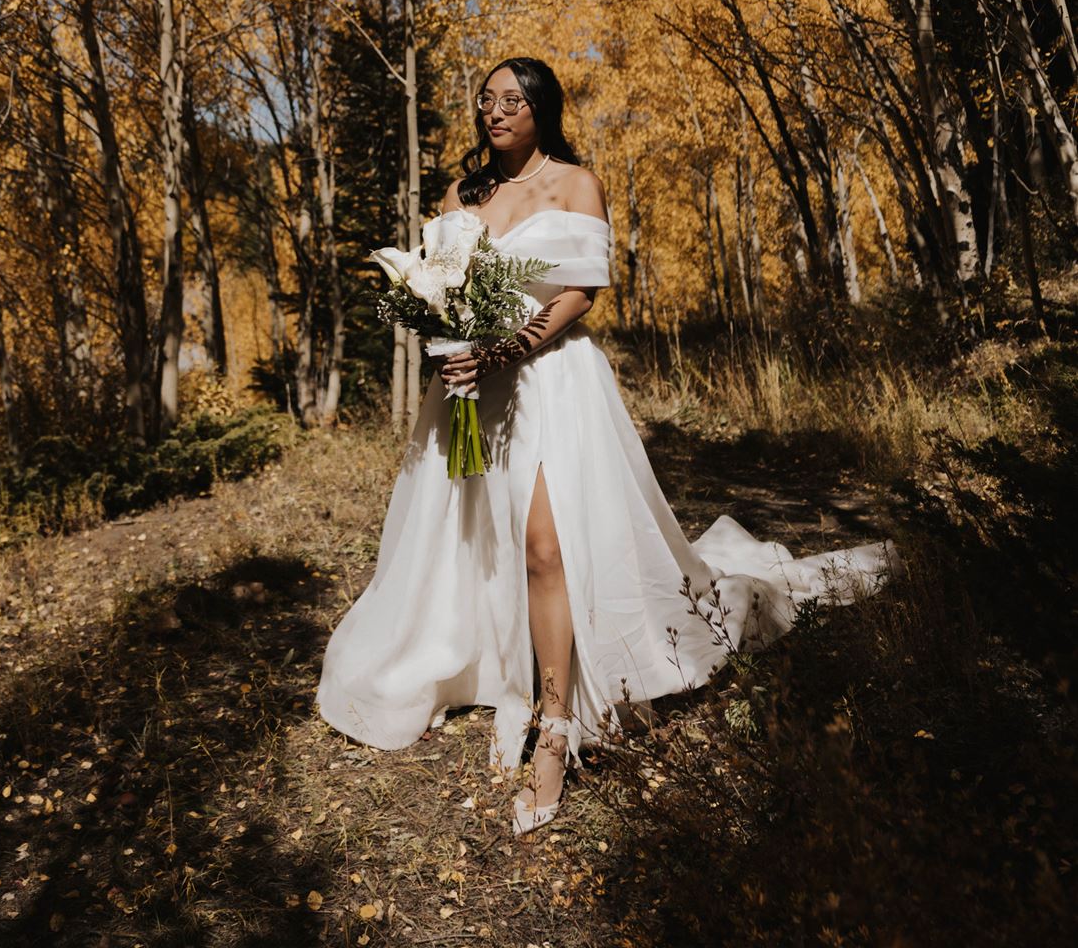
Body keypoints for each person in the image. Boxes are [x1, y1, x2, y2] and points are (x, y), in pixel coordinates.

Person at [316, 56, 898, 837]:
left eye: (512, 101)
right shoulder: (461, 195)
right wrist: (450, 342)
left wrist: (503, 349)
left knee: (546, 549)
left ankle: (555, 731)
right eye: (486, 101)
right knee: (473, 539)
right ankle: (483, 660)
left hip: (551, 382)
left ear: (541, 110)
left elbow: (580, 293)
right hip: (465, 392)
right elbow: (437, 288)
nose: (495, 112)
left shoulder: (575, 182)